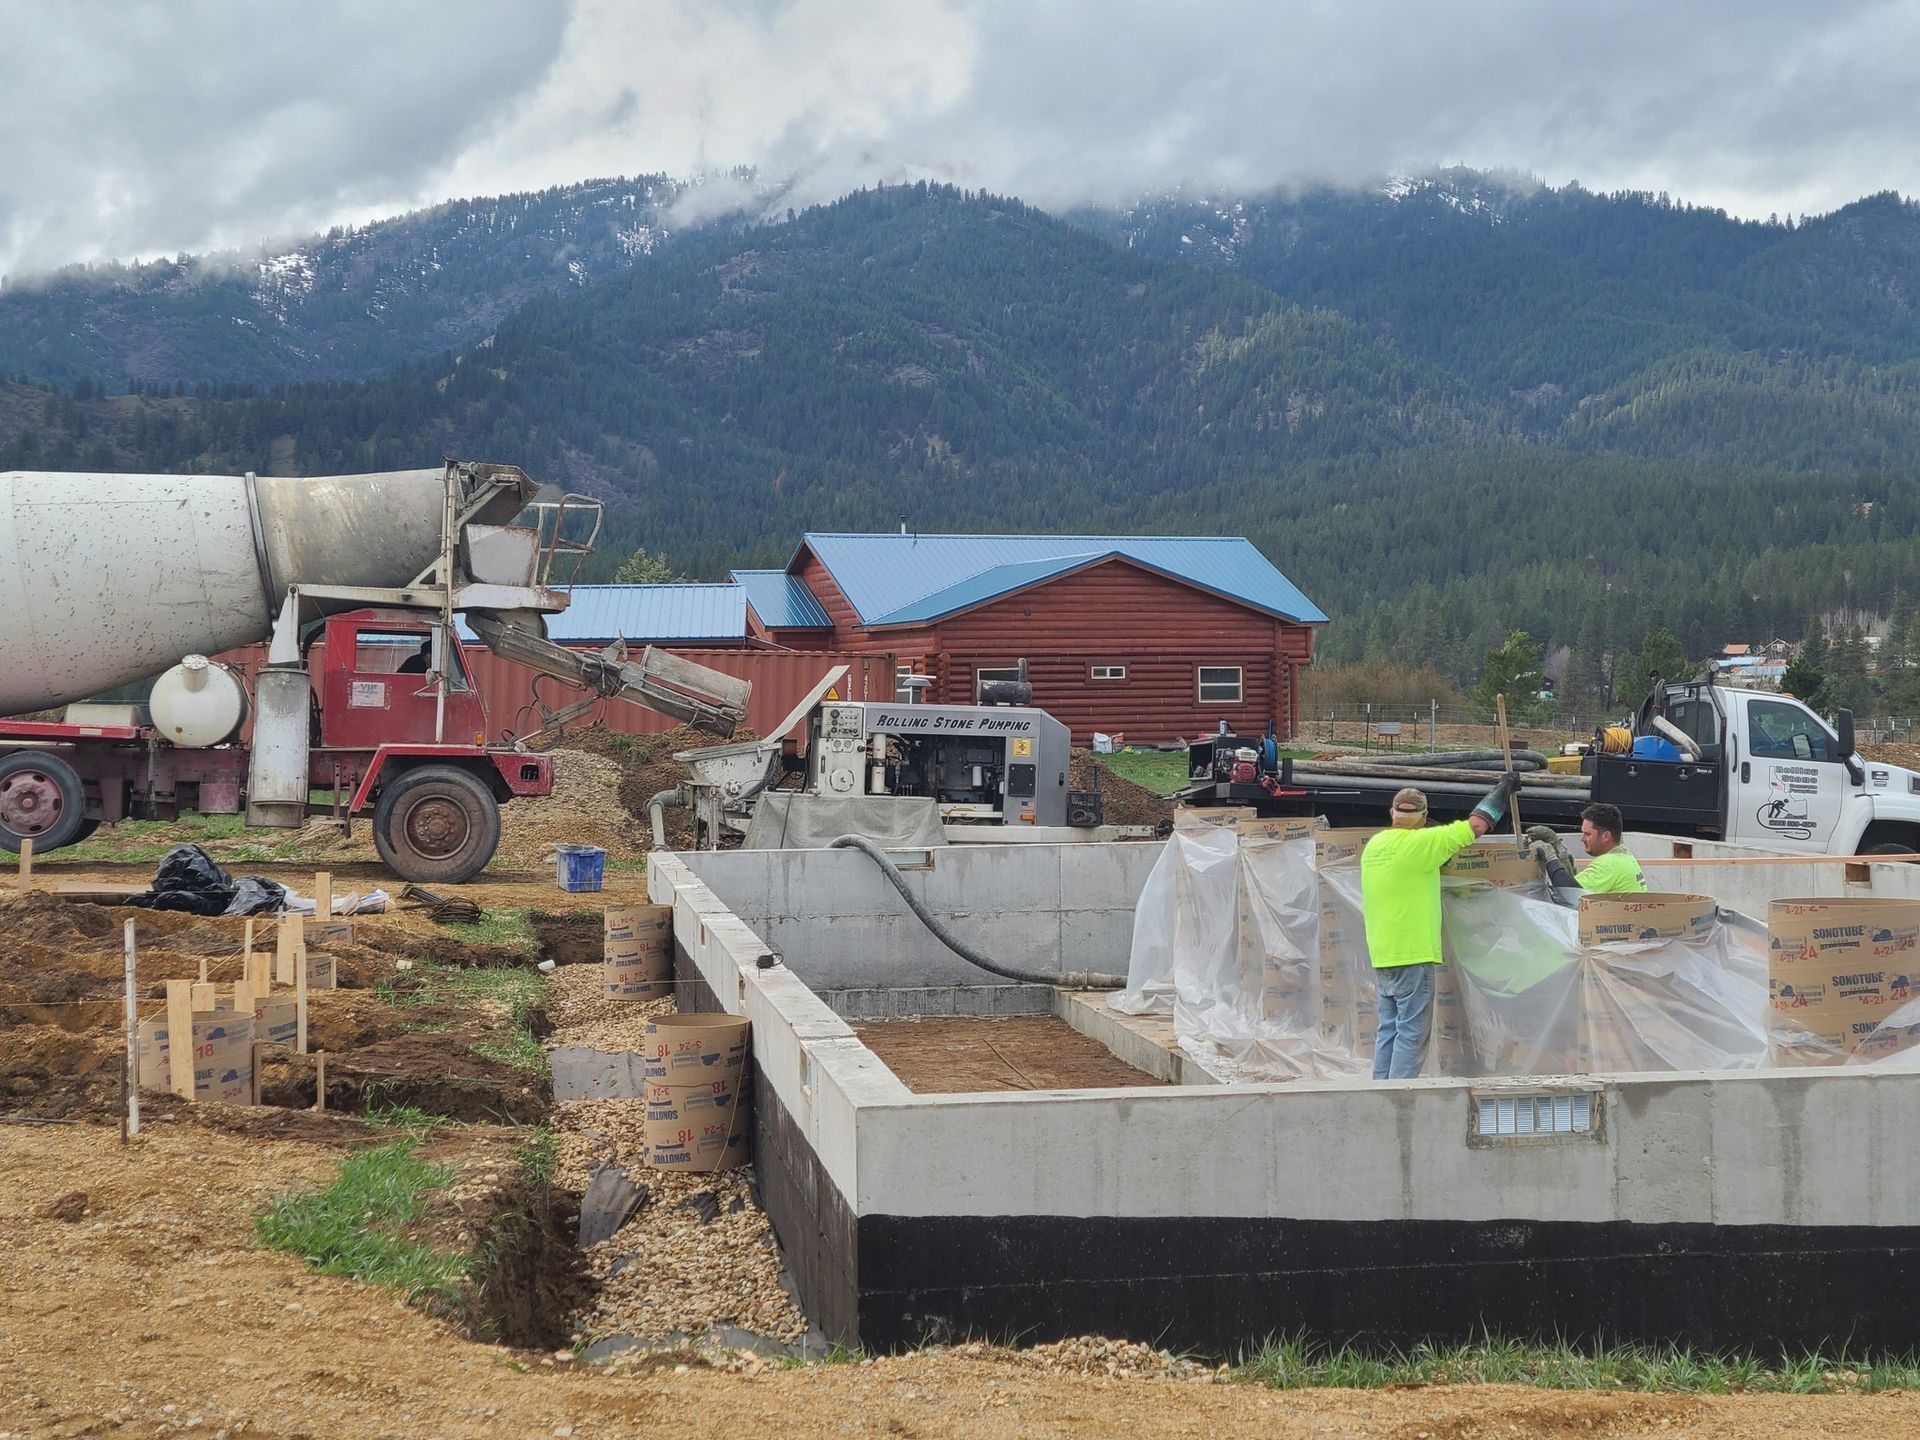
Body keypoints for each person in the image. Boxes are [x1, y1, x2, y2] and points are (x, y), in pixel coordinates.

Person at [1361, 773, 1517, 1080]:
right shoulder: (1421, 844)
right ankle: (1399, 1101)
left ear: (1392, 813)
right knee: (1411, 1032)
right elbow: (1476, 826)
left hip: (1383, 952)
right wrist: (1502, 790)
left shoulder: (1375, 845)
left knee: (1389, 1029)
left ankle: (1377, 1094)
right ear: (1424, 816)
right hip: (1413, 953)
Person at [1525, 803, 1648, 893]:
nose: (1582, 839)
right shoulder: (1625, 856)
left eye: (1588, 834)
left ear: (1606, 836)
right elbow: (1576, 885)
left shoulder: (1609, 864)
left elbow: (1570, 892)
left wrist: (1550, 856)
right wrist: (1557, 847)